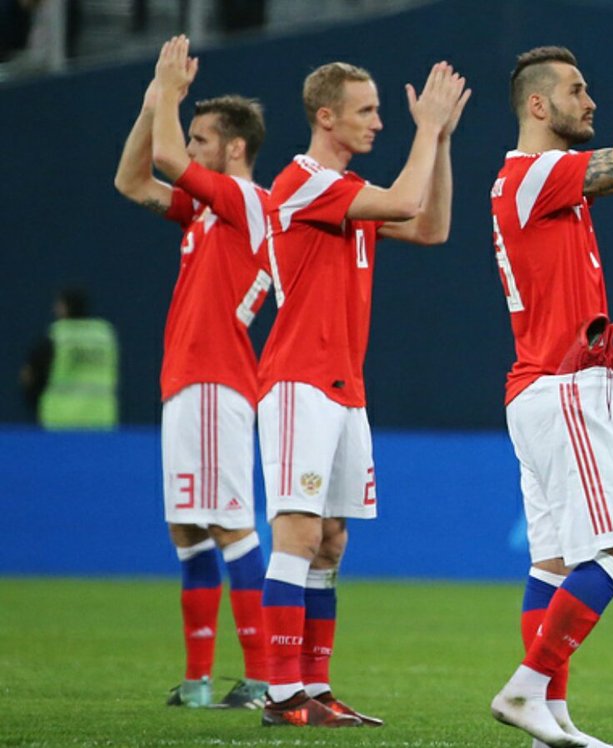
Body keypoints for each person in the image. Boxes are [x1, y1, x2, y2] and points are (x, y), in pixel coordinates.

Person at [487, 8, 613, 748]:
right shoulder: (534, 173)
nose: (591, 99)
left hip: (540, 388)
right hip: (566, 385)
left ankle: (550, 718)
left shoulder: (543, 182)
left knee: (552, 565)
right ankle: (525, 690)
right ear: (537, 104)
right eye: (576, 90)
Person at [254, 59, 469, 728]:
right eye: (366, 110)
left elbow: (430, 226)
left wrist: (443, 140)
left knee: (331, 539)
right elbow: (404, 201)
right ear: (326, 117)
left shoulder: (346, 191)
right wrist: (425, 130)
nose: (379, 121)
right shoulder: (303, 182)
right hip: (299, 381)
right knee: (298, 532)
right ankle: (280, 694)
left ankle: (314, 688)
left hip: (345, 387)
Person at [113, 35, 272, 709]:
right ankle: (199, 680)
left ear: (233, 148)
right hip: (186, 382)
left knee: (231, 523)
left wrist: (171, 94)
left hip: (216, 379)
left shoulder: (246, 202)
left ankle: (262, 676)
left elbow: (166, 160)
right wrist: (157, 101)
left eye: (202, 140)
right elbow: (131, 180)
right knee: (188, 529)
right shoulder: (209, 211)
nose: (190, 148)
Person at [20, 287, 119, 430]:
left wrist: (33, 401)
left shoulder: (58, 336)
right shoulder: (103, 336)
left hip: (60, 421)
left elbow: (29, 375)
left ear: (64, 307)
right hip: (100, 419)